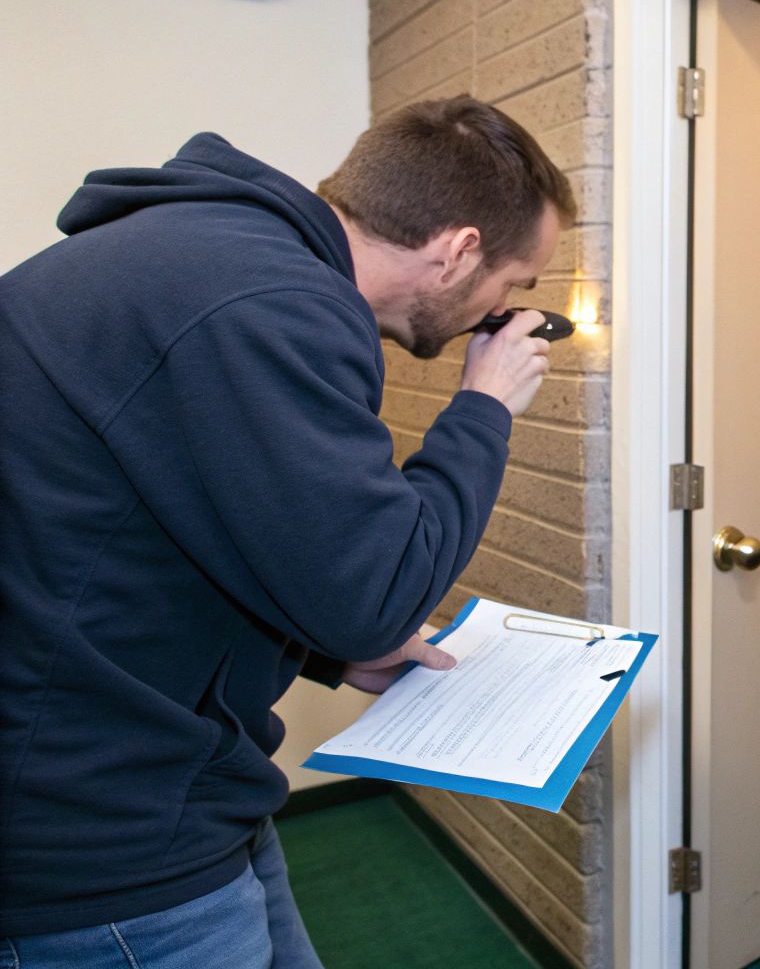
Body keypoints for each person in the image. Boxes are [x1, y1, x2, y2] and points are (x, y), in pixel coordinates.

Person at [0, 96, 575, 966]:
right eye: (512, 286)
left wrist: (326, 655)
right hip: (100, 837)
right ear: (458, 251)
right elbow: (374, 595)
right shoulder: (267, 304)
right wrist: (482, 409)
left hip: (156, 781)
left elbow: (182, 519)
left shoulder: (210, 260)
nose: (500, 311)